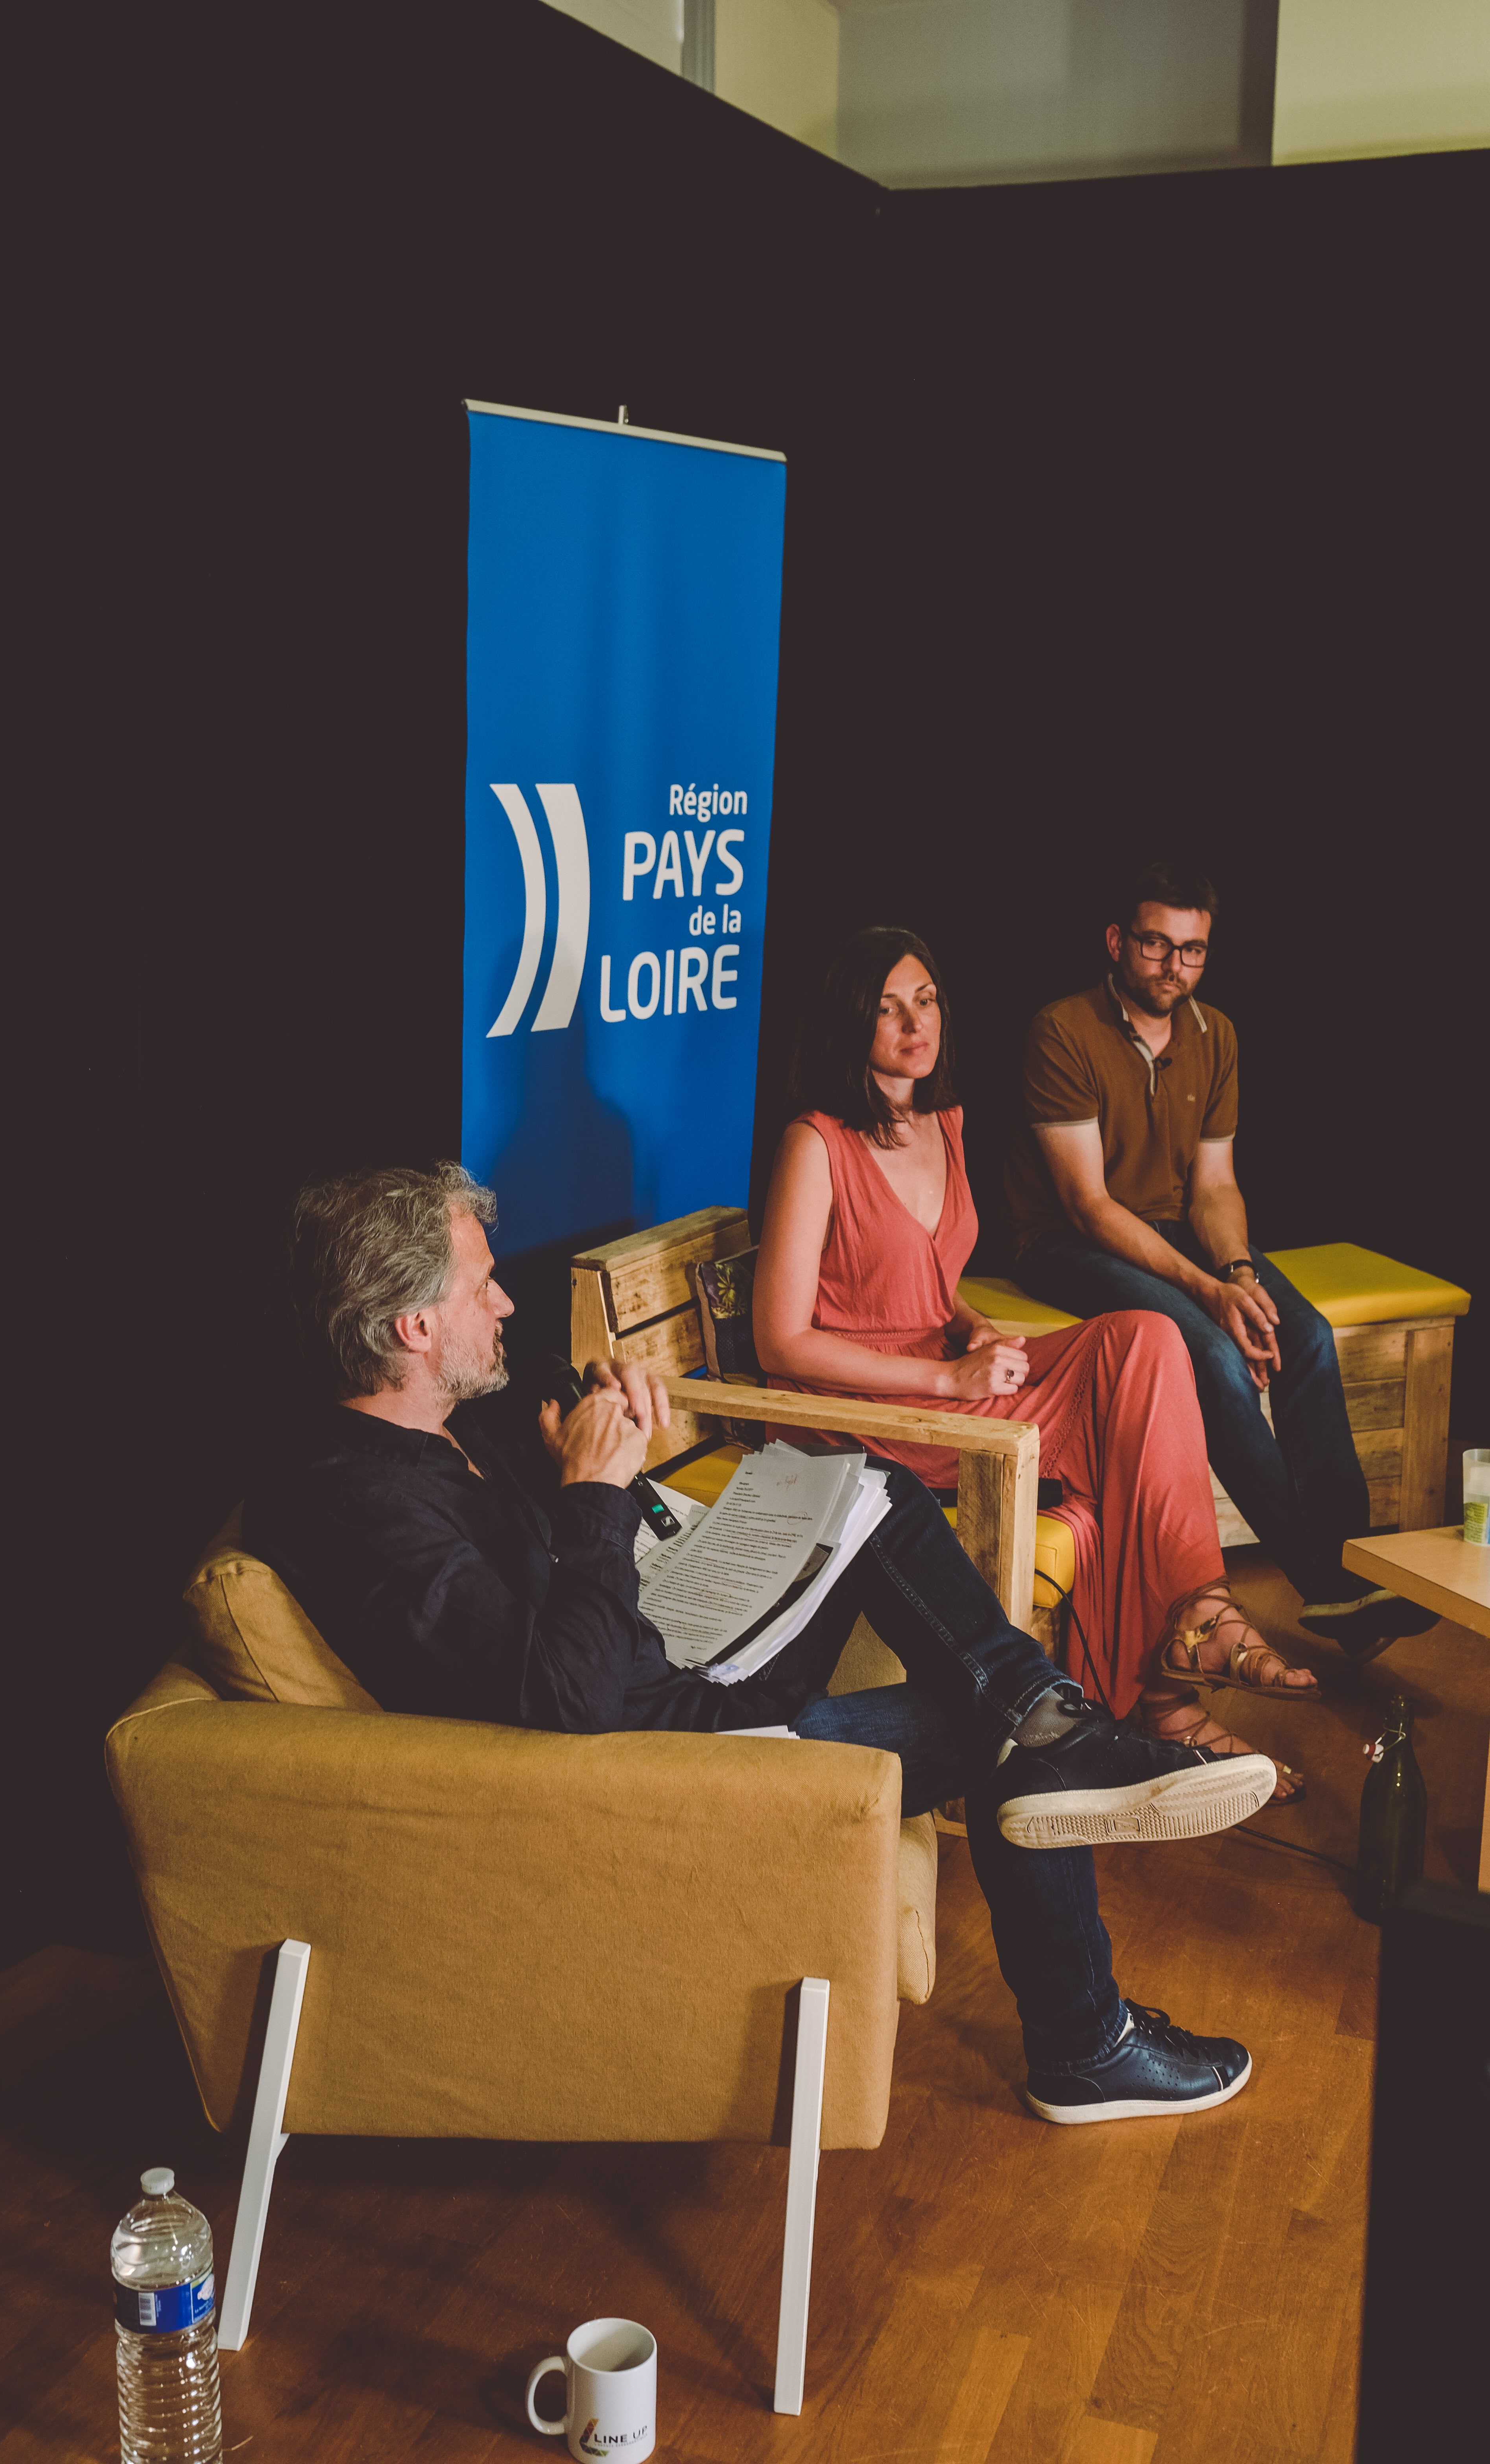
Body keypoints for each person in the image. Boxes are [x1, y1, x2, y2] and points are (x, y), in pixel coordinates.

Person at [244, 1162, 1275, 2126]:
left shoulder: (442, 1432)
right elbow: (567, 1702)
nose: (508, 1304)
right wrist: (594, 1493)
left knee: (873, 1494)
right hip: (665, 1762)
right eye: (483, 1288)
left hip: (677, 1660)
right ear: (415, 1325)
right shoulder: (354, 1503)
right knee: (1004, 1736)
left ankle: (1057, 1730)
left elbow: (546, 1590)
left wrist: (597, 1467)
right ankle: (1085, 2031)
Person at [752, 924, 1319, 1802]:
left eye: (926, 1001)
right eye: (888, 1008)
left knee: (1143, 1338)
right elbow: (781, 1341)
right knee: (1119, 1417)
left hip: (943, 1376)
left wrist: (972, 1328)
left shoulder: (944, 1122)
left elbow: (927, 1287)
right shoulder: (815, 1143)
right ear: (846, 1022)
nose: (915, 1023)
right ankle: (1164, 1701)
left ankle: (1195, 1623)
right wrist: (948, 1378)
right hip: (867, 1411)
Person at [1005, 858, 1437, 1678]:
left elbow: (1213, 1187)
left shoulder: (1216, 1035)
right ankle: (1329, 1583)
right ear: (1116, 941)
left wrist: (1238, 1275)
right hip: (1062, 1242)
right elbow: (1087, 1205)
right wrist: (1207, 1293)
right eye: (1156, 945)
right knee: (1209, 1350)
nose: (1174, 967)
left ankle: (1350, 1568)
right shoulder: (1062, 1029)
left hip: (1174, 1228)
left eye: (1193, 951)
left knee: (1304, 1334)